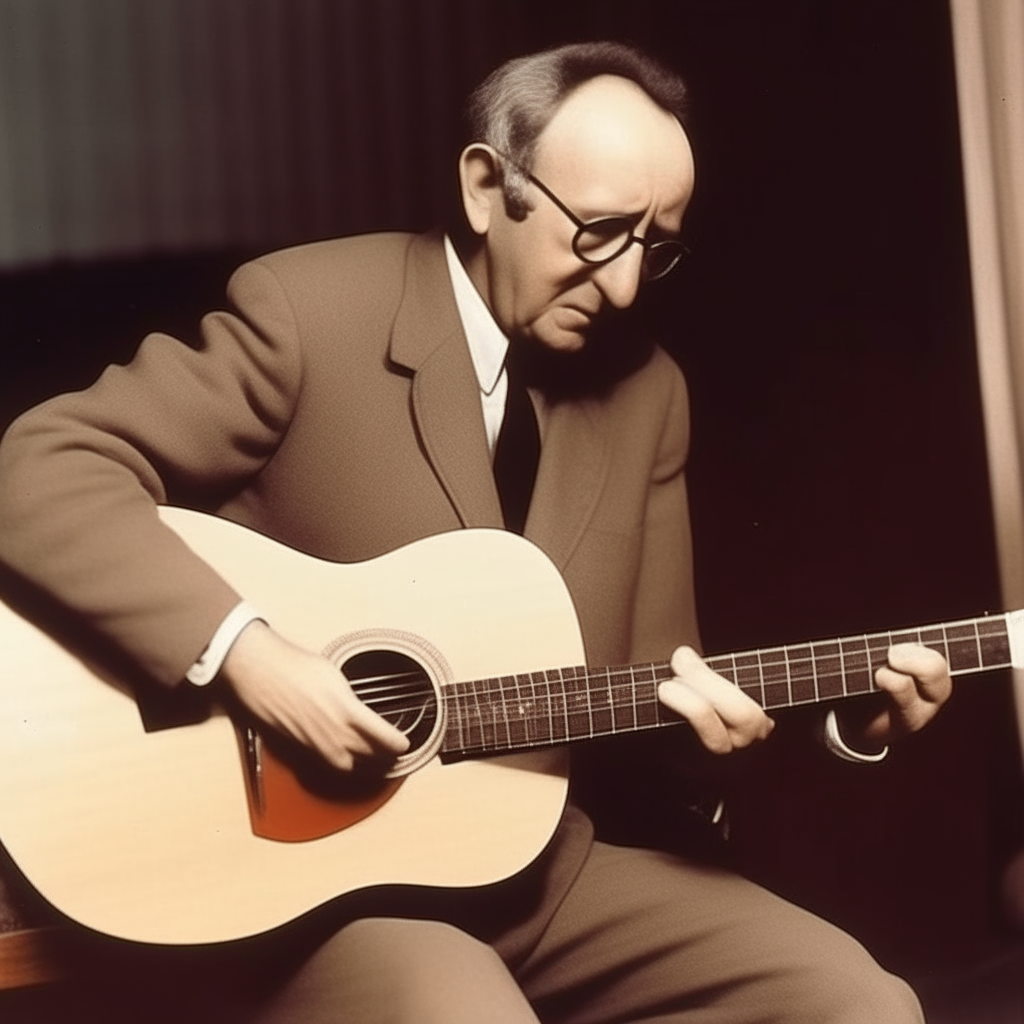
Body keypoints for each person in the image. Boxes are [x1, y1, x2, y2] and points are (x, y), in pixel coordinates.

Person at [0, 41, 952, 1024]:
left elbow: (655, 695)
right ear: (487, 186)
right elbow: (38, 469)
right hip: (307, 898)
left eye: (656, 245)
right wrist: (253, 657)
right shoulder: (310, 311)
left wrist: (830, 722)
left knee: (856, 1002)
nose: (624, 286)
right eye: (600, 231)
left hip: (535, 873)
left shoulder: (648, 390)